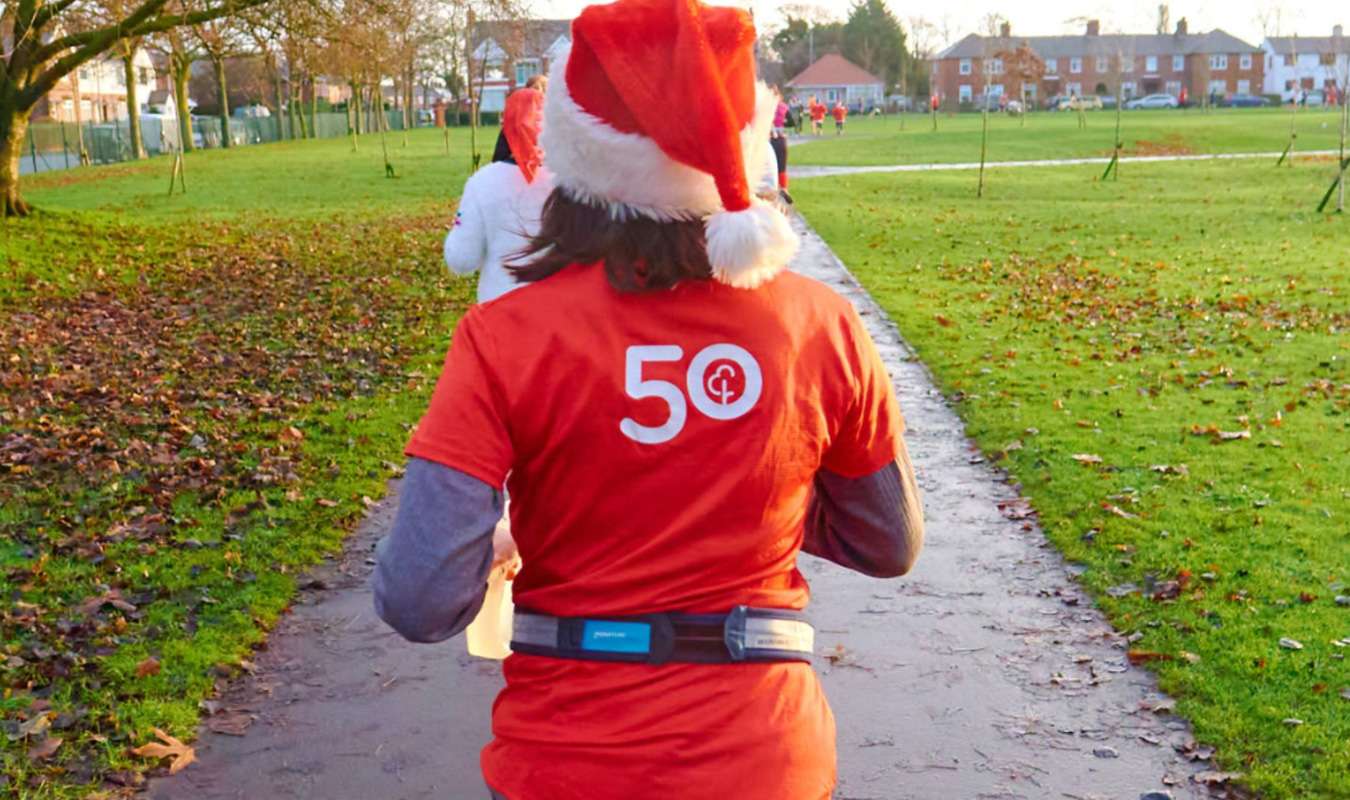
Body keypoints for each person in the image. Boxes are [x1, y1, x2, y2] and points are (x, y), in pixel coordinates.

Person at [372, 0, 924, 797]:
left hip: (565, 762)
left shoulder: (503, 337)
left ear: (577, 151)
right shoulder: (819, 325)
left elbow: (419, 597)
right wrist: (742, 485)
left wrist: (499, 540)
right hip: (762, 757)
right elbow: (889, 541)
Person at [444, 87, 552, 304]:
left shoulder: (483, 183)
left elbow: (462, 259)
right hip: (563, 315)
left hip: (500, 309)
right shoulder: (575, 182)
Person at [770, 88, 792, 204]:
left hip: (769, 139)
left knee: (770, 167)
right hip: (781, 138)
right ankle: (784, 188)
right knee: (782, 167)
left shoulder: (765, 107)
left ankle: (771, 191)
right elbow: (791, 122)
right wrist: (782, 122)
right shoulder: (784, 107)